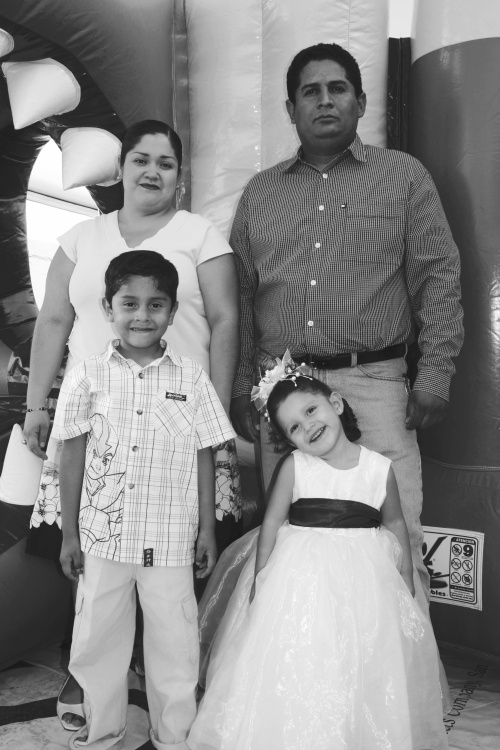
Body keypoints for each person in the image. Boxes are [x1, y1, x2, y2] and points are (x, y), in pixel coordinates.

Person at [229, 42, 464, 613]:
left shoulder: (403, 177)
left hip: (374, 387)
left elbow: (438, 274)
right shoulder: (260, 193)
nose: (325, 100)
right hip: (283, 396)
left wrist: (435, 373)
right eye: (310, 91)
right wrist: (241, 387)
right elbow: (241, 295)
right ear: (291, 109)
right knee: (290, 547)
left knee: (397, 543)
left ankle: (402, 667)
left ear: (360, 101)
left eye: (337, 89)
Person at [22, 119, 240, 727]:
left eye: (166, 163)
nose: (152, 171)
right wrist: (37, 405)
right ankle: (90, 681)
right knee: (93, 551)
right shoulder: (80, 238)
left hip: (177, 420)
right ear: (121, 169)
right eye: (141, 159)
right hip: (96, 417)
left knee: (174, 561)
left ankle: (167, 687)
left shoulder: (201, 236)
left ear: (180, 175)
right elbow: (53, 322)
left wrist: (216, 417)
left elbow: (226, 320)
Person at [188, 365, 448, 750]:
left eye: (311, 411)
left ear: (336, 404)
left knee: (360, 653)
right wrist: (261, 576)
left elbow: (395, 521)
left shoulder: (379, 468)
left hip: (363, 580)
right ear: (288, 440)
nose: (307, 426)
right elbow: (272, 522)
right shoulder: (296, 467)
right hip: (300, 581)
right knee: (301, 650)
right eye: (294, 426)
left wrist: (405, 576)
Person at [57, 250, 235, 750]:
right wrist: (70, 533)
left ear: (173, 312)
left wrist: (207, 529)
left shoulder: (192, 378)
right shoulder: (88, 375)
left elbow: (205, 453)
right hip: (102, 539)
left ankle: (173, 738)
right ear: (107, 308)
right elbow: (72, 454)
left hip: (170, 541)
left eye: (156, 304)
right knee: (96, 641)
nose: (142, 315)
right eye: (129, 303)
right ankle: (102, 732)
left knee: (175, 646)